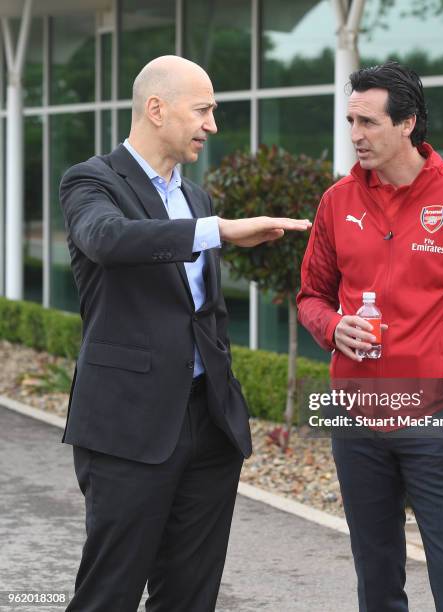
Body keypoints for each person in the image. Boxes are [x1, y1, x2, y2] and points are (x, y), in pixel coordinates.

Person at [60, 55, 311, 612]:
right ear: (156, 109)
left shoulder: (195, 196)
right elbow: (108, 239)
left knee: (190, 596)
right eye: (203, 110)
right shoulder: (91, 181)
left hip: (207, 425)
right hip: (130, 428)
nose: (211, 125)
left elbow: (206, 312)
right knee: (109, 593)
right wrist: (217, 231)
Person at [297, 61, 443, 611]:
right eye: (351, 120)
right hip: (353, 415)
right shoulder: (336, 202)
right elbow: (310, 297)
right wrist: (331, 326)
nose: (355, 135)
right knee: (375, 575)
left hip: (435, 417)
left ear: (407, 124)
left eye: (368, 122)